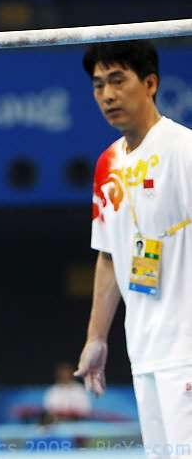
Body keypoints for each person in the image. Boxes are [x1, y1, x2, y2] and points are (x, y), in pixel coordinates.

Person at [75, 40, 192, 456]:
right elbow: (108, 256)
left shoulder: (184, 150)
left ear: (151, 83)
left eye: (118, 80)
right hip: (143, 350)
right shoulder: (107, 163)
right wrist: (96, 339)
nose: (107, 95)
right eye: (98, 84)